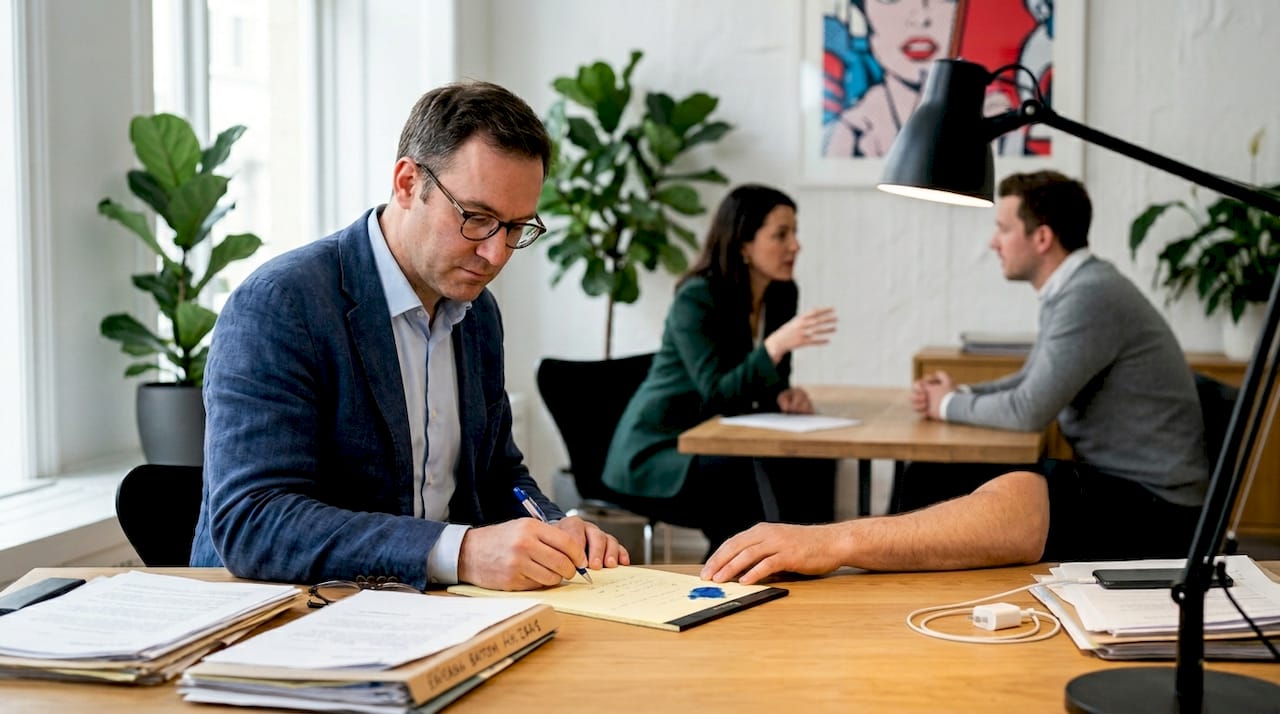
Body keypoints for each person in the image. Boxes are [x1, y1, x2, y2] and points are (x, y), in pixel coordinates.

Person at [190, 81, 626, 592]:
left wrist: (553, 527)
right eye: (478, 219)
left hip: (430, 614)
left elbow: (499, 474)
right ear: (406, 183)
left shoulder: (478, 312)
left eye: (515, 228)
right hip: (282, 617)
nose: (496, 255)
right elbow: (254, 521)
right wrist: (458, 552)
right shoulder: (281, 304)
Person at [702, 170, 1209, 585]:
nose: (993, 242)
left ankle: (869, 562)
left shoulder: (1089, 296)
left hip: (1155, 509)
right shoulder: (1082, 289)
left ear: (1042, 237)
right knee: (932, 473)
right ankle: (895, 579)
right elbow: (1032, 378)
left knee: (1026, 487)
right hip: (1125, 484)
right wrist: (961, 394)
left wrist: (946, 405)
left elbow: (1029, 407)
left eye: (1003, 228)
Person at [601, 184, 839, 557]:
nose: (795, 245)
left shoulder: (781, 293)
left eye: (794, 233)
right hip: (661, 451)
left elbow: (763, 385)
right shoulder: (697, 298)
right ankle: (734, 578)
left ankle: (809, 571)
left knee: (811, 462)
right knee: (741, 478)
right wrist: (775, 346)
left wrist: (783, 395)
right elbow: (716, 393)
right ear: (744, 244)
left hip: (719, 440)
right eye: (781, 235)